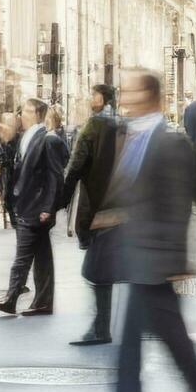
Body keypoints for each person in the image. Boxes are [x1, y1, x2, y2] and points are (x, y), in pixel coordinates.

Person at [90, 68, 196, 392]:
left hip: (158, 262)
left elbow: (182, 205)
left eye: (131, 91)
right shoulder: (131, 135)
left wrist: (180, 263)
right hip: (139, 257)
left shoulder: (171, 141)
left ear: (150, 96)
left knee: (149, 343)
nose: (124, 97)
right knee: (161, 341)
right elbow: (135, 193)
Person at [0, 98, 67, 315]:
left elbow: (55, 177)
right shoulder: (26, 137)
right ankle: (43, 301)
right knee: (42, 256)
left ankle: (11, 297)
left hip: (36, 207)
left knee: (23, 255)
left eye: (25, 110)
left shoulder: (47, 139)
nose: (20, 114)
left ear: (36, 113)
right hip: (25, 204)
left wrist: (48, 207)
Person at [66, 84, 122, 346]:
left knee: (95, 270)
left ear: (103, 99)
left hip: (99, 210)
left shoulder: (94, 126)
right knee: (103, 270)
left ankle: (101, 329)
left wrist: (60, 201)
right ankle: (102, 327)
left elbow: (76, 166)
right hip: (121, 208)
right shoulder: (124, 125)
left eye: (94, 95)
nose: (91, 99)